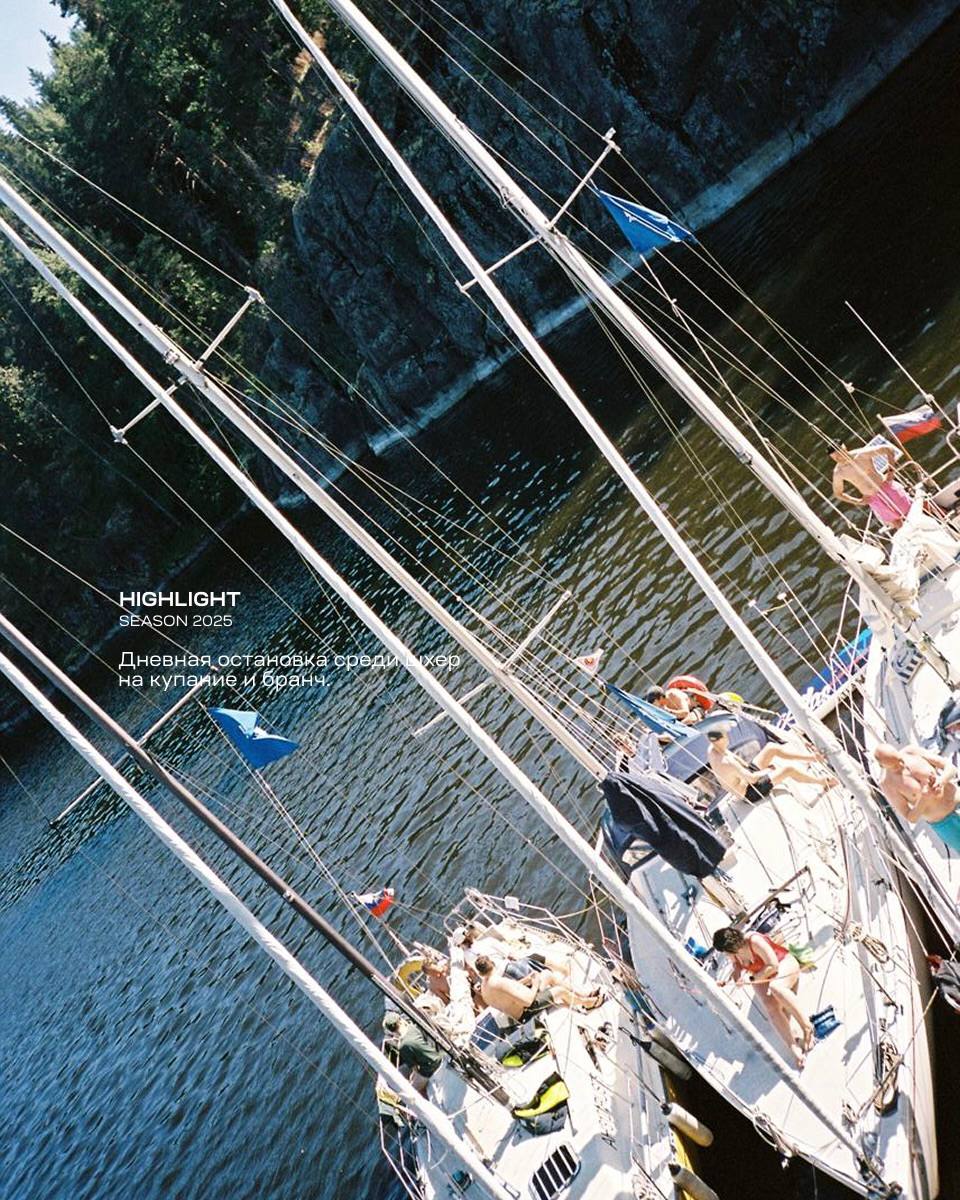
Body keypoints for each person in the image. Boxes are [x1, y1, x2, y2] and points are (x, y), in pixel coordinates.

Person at [712, 926, 815, 1068]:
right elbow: (737, 966)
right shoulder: (734, 954)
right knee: (770, 1007)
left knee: (776, 987)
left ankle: (807, 1027)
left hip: (784, 964)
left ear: (729, 948)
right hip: (763, 975)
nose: (725, 955)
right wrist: (733, 978)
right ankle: (793, 1047)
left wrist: (752, 979)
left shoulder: (754, 941)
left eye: (725, 952)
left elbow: (773, 965)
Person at [706, 724, 835, 802]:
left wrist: (755, 768)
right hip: (750, 791)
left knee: (771, 747)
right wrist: (767, 770)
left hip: (746, 774)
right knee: (788, 770)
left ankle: (812, 758)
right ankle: (824, 782)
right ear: (719, 740)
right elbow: (752, 779)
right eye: (725, 735)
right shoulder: (727, 762)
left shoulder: (712, 749)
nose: (728, 736)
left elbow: (737, 761)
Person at [874, 741, 960, 850]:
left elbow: (951, 768)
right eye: (895, 766)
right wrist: (924, 798)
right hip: (947, 824)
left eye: (900, 759)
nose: (901, 765)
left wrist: (942, 780)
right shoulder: (888, 784)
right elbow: (910, 817)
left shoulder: (912, 751)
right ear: (882, 766)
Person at [473, 956, 602, 1022]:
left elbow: (508, 991)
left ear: (480, 973)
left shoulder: (485, 988)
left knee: (547, 974)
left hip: (516, 1012)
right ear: (492, 963)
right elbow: (529, 1001)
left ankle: (583, 994)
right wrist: (534, 984)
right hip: (527, 1011)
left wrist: (528, 979)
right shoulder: (499, 982)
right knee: (560, 991)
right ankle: (587, 1003)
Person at [830, 443, 911, 527]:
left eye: (839, 455)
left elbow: (888, 449)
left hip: (886, 487)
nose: (839, 459)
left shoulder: (861, 454)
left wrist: (891, 472)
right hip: (873, 499)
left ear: (844, 448)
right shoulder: (839, 472)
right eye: (835, 458)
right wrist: (858, 501)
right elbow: (838, 493)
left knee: (909, 511)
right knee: (895, 522)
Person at [383, 1011, 444, 1094]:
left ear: (391, 1031)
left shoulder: (402, 1046)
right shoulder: (412, 1027)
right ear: (400, 1020)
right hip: (437, 1055)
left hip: (430, 1067)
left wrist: (413, 1079)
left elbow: (415, 1069)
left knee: (411, 1090)